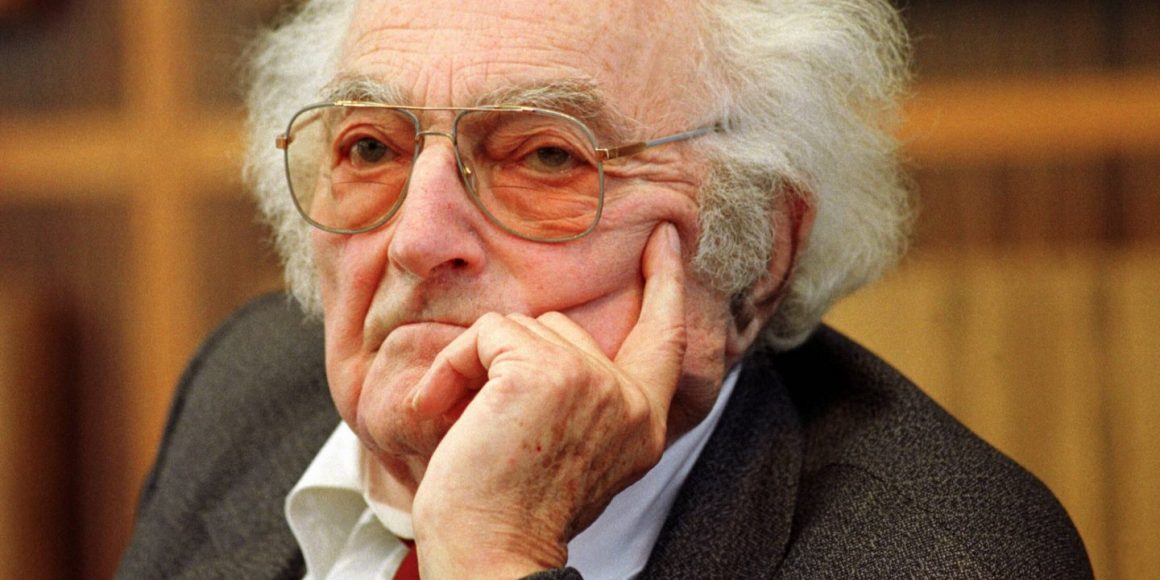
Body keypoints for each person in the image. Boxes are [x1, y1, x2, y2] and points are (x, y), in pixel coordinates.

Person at [118, 0, 1092, 577]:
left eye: (545, 156)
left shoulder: (941, 556)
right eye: (370, 148)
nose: (415, 240)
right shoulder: (247, 390)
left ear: (753, 256)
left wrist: (495, 552)